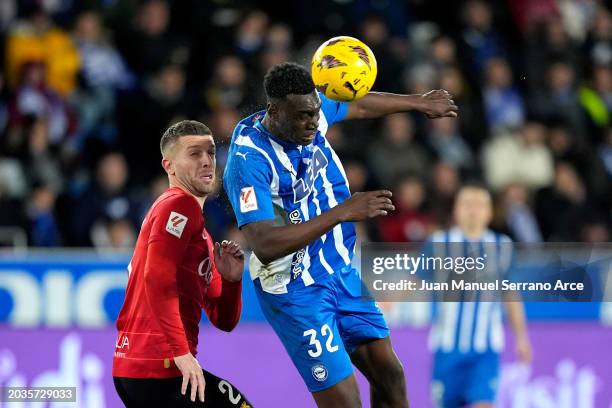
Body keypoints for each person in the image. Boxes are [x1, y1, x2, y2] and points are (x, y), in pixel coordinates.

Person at [223, 62, 457, 407]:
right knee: (346, 402)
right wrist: (343, 212)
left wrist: (418, 102)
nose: (313, 122)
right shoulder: (249, 160)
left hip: (340, 271)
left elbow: (359, 104)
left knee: (390, 375)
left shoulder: (309, 108)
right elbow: (264, 243)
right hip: (294, 290)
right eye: (303, 116)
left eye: (315, 113)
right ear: (274, 110)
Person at [112, 120, 253, 407]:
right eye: (194, 154)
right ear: (169, 166)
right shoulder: (179, 205)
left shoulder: (198, 233)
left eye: (211, 153)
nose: (206, 162)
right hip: (159, 366)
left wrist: (231, 282)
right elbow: (157, 278)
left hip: (139, 368)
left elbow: (223, 320)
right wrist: (180, 352)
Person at [427, 184, 532, 408]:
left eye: (479, 204)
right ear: (456, 210)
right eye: (467, 204)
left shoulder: (503, 247)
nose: (473, 210)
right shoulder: (438, 244)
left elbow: (510, 294)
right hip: (447, 349)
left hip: (485, 350)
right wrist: (384, 305)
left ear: (490, 212)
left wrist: (521, 337)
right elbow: (412, 279)